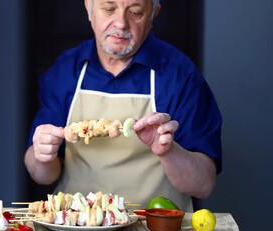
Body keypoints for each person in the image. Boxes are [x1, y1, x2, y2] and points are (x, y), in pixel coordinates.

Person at [24, 0, 222, 211]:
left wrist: (168, 151)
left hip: (153, 228)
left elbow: (203, 185)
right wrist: (42, 154)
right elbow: (43, 175)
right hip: (77, 222)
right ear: (89, 9)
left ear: (153, 14)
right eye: (109, 9)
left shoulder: (180, 76)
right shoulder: (66, 69)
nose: (120, 23)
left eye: (135, 13)